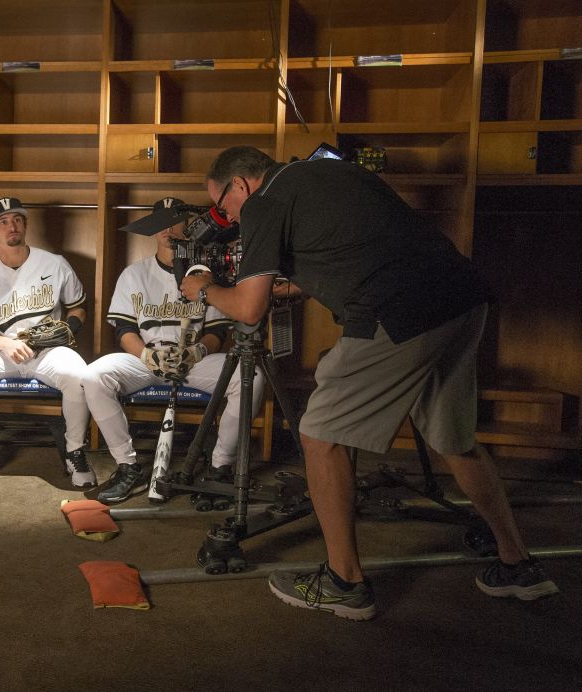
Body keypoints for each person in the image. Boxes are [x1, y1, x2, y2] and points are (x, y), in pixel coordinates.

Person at [180, 146, 559, 620]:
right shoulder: (335, 173)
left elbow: (248, 309)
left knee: (319, 435)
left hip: (398, 314)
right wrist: (295, 285)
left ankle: (345, 582)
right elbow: (358, 249)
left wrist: (203, 288)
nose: (228, 218)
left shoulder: (264, 202)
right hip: (463, 301)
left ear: (240, 184)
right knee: (453, 438)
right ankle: (518, 564)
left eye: (225, 206)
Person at [82, 198, 265, 504]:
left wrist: (197, 353)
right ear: (154, 231)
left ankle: (219, 467)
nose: (168, 229)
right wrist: (146, 356)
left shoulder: (207, 275)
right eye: (162, 223)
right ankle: (128, 466)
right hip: (147, 360)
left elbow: (217, 332)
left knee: (253, 377)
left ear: (189, 228)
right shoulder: (134, 274)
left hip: (192, 363)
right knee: (94, 375)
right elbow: (124, 330)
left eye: (175, 222)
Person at [0, 196, 94, 489]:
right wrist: (4, 344)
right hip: (4, 351)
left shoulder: (54, 264)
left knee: (79, 374)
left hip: (47, 350)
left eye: (17, 220)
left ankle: (75, 451)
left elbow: (79, 308)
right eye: (3, 222)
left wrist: (65, 329)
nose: (11, 226)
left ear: (25, 225)